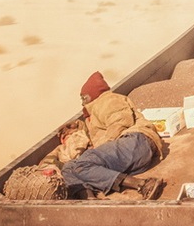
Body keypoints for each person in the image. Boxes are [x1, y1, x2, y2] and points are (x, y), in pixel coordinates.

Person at [59, 71, 166, 199]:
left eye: (84, 98)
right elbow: (99, 130)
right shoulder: (95, 111)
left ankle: (143, 184)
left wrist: (97, 150)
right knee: (69, 167)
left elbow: (120, 122)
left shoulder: (108, 100)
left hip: (137, 141)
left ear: (94, 93)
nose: (82, 103)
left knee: (83, 163)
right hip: (129, 154)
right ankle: (89, 200)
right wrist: (78, 126)